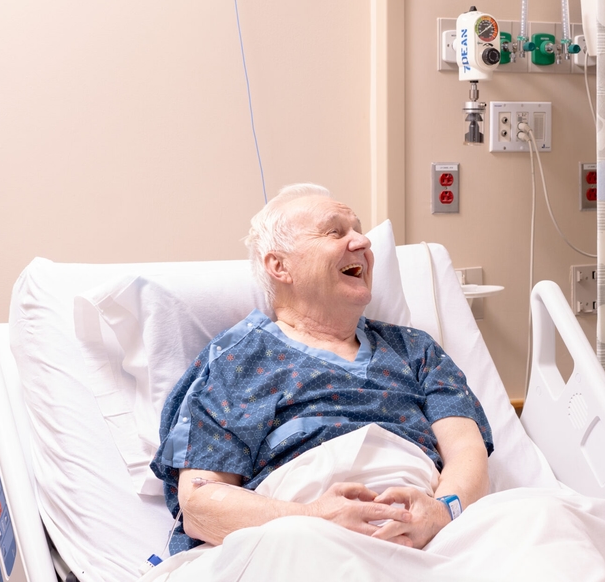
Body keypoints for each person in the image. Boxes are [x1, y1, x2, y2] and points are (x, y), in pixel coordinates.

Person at [151, 184, 493, 554]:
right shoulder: (236, 360)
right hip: (302, 536)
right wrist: (313, 517)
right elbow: (200, 505)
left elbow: (466, 450)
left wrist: (443, 513)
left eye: (359, 230)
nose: (362, 241)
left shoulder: (414, 349)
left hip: (433, 534)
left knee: (545, 514)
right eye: (335, 231)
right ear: (279, 265)